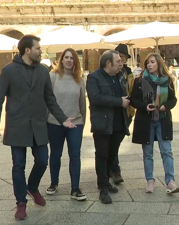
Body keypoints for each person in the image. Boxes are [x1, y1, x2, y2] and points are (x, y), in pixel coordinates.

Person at [0, 35, 76, 220]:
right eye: (37, 48)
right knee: (18, 165)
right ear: (27, 50)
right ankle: (21, 202)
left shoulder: (43, 71)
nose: (40, 51)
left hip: (38, 125)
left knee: (43, 160)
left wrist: (63, 119)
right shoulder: (9, 70)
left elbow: (50, 99)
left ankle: (32, 186)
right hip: (17, 125)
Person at [130, 53, 179, 194]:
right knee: (148, 153)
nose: (149, 65)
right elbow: (134, 100)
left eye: (152, 62)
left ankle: (170, 181)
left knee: (167, 151)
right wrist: (145, 106)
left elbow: (173, 99)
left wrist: (166, 106)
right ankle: (150, 180)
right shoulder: (140, 80)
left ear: (158, 63)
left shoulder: (167, 80)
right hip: (146, 121)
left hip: (162, 120)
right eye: (147, 63)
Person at [86, 50, 130, 204]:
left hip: (118, 123)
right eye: (118, 61)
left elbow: (125, 95)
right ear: (108, 63)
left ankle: (107, 181)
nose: (121, 63)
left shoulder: (119, 77)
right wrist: (119, 101)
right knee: (102, 155)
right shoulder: (94, 77)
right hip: (102, 124)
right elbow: (96, 98)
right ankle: (103, 186)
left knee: (112, 154)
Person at [45, 48, 87, 201]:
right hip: (55, 122)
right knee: (55, 154)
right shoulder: (53, 77)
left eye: (72, 58)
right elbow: (47, 101)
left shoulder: (80, 79)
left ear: (76, 61)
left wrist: (82, 121)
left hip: (75, 122)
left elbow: (82, 103)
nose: (69, 60)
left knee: (75, 155)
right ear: (61, 60)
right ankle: (54, 182)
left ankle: (75, 188)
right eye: (66, 57)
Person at [109, 43, 135, 185]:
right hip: (112, 112)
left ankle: (111, 169)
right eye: (119, 57)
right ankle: (114, 170)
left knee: (116, 143)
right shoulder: (109, 73)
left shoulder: (129, 73)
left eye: (123, 58)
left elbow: (133, 92)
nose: (121, 60)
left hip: (126, 113)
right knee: (112, 143)